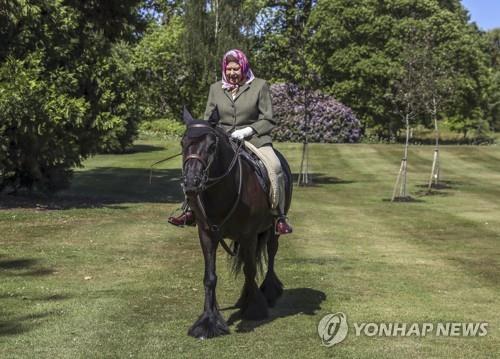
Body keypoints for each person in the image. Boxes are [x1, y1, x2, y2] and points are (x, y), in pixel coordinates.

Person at [168, 49, 292, 235]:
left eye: (236, 69)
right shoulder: (215, 89)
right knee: (195, 166)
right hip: (223, 140)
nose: (232, 73)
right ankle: (190, 210)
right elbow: (209, 119)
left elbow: (268, 119)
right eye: (229, 69)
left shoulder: (259, 86)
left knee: (275, 166)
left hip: (254, 139)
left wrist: (248, 131)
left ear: (243, 67)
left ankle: (278, 216)